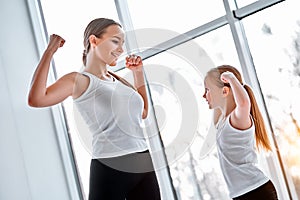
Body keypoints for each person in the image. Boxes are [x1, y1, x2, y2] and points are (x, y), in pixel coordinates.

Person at [28, 18, 161, 200]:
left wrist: (138, 74)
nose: (121, 49)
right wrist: (50, 51)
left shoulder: (117, 80)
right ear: (94, 40)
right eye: (115, 41)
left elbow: (143, 113)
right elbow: (36, 99)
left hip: (143, 161)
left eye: (123, 43)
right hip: (111, 165)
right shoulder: (79, 80)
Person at [202, 65, 278, 200]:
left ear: (225, 91)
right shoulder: (221, 121)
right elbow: (222, 104)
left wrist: (231, 78)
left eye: (207, 90)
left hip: (256, 191)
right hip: (240, 194)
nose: (203, 95)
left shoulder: (237, 119)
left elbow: (243, 103)